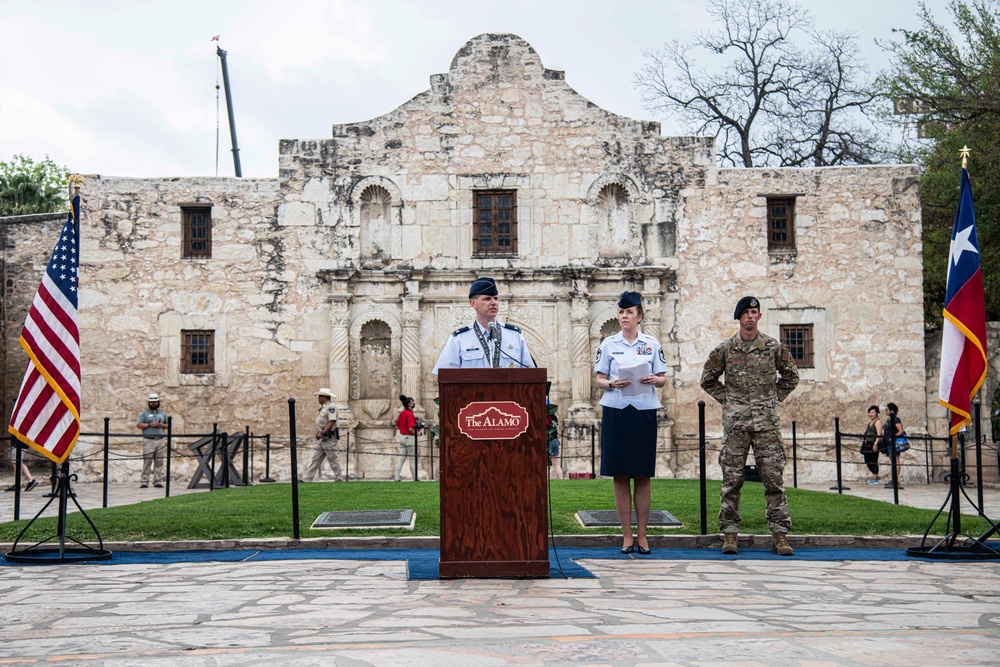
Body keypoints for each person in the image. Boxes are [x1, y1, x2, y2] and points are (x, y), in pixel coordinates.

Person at [700, 296, 800, 556]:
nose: (750, 317)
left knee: (773, 480)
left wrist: (773, 399)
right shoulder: (725, 350)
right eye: (746, 313)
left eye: (754, 312)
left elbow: (792, 376)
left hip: (766, 425)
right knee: (732, 480)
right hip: (736, 425)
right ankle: (730, 533)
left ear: (759, 316)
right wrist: (730, 401)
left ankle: (779, 535)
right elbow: (707, 380)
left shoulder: (772, 348)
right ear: (739, 317)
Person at [594, 291, 667, 555]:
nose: (625, 317)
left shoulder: (651, 344)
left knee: (643, 474)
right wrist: (612, 383)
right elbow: (600, 378)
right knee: (621, 474)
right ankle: (626, 536)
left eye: (630, 313)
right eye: (621, 312)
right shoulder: (608, 344)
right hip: (617, 409)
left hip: (643, 410)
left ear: (640, 316)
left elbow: (662, 378)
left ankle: (643, 536)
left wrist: (653, 379)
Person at [432, 276, 535, 374]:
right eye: (487, 299)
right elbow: (445, 377)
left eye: (496, 298)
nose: (494, 302)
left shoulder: (515, 335)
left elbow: (531, 373)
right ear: (473, 303)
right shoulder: (459, 339)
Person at [302, 388, 342, 482]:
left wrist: (323, 432)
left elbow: (332, 421)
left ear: (324, 397)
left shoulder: (331, 407)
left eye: (320, 396)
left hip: (328, 437)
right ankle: (307, 478)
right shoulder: (324, 408)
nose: (318, 398)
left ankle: (339, 478)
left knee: (332, 458)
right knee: (316, 459)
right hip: (322, 437)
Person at [136, 393, 169, 488]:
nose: (153, 403)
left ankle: (158, 480)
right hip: (148, 440)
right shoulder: (144, 413)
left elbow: (168, 425)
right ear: (149, 403)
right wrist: (150, 425)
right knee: (147, 461)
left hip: (160, 440)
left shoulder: (162, 414)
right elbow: (138, 425)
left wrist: (161, 425)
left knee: (159, 461)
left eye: (155, 401)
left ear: (158, 402)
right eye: (151, 402)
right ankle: (144, 481)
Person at [394, 395, 421, 481]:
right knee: (412, 459)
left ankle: (396, 477)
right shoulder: (409, 414)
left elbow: (397, 426)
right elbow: (410, 428)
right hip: (409, 438)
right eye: (412, 402)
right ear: (409, 404)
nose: (413, 403)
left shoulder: (401, 413)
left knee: (401, 458)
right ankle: (415, 478)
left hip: (402, 437)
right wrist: (417, 433)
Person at [882, 402, 905, 488]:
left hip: (893, 442)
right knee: (892, 461)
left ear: (891, 410)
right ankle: (893, 479)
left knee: (896, 460)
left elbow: (900, 431)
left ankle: (896, 480)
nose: (885, 411)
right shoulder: (888, 420)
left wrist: (893, 437)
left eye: (887, 409)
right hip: (888, 442)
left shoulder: (895, 419)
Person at [861, 405, 883, 485]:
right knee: (867, 460)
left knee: (874, 460)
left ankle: (875, 478)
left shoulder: (878, 422)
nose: (871, 414)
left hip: (873, 443)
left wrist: (876, 443)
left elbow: (879, 434)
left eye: (873, 412)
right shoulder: (870, 423)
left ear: (877, 413)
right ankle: (875, 476)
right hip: (867, 444)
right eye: (870, 412)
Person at [546, 390, 564, 480]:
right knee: (556, 463)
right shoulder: (555, 417)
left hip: (545, 440)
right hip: (553, 440)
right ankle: (561, 479)